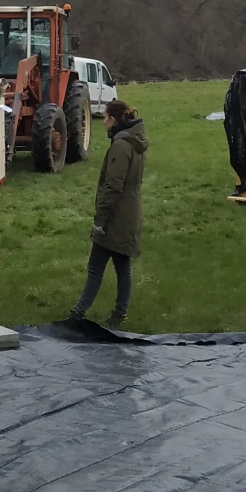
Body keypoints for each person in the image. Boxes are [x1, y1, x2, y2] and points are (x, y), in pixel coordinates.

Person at [66, 100, 148, 329]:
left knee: (95, 267)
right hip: (129, 212)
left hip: (116, 216)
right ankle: (119, 315)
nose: (103, 122)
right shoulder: (135, 141)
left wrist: (100, 220)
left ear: (113, 119)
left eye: (104, 118)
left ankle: (77, 314)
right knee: (122, 266)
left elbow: (113, 186)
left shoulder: (121, 146)